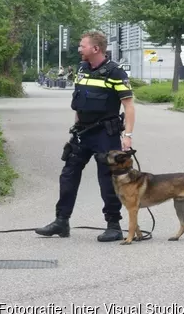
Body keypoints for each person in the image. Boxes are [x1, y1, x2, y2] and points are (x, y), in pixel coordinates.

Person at [35, 30, 136, 242]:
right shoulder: (82, 69)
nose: (79, 49)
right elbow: (79, 102)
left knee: (107, 180)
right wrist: (75, 128)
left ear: (96, 49)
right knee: (68, 174)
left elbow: (128, 105)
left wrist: (128, 135)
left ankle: (113, 225)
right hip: (82, 133)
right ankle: (61, 221)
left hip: (105, 136)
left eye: (82, 46)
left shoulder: (115, 72)